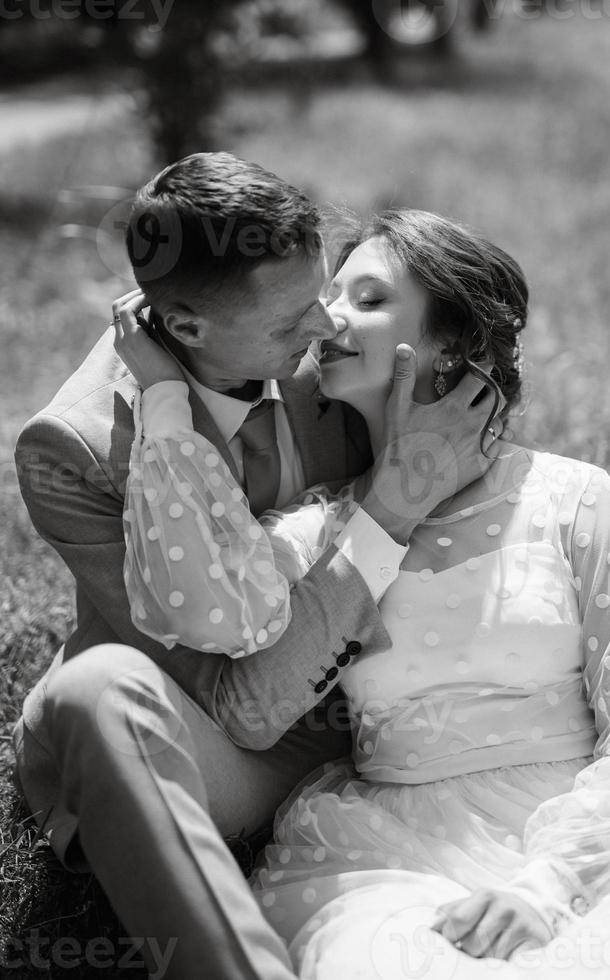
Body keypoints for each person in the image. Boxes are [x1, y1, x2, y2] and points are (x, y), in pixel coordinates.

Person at [119, 209, 610, 979]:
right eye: (329, 295)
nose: (326, 317)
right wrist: (166, 393)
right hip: (387, 856)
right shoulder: (316, 532)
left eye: (367, 299)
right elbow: (246, 696)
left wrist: (551, 883)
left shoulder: (573, 499)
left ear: (452, 348)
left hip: (584, 836)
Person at [13, 155, 496, 979]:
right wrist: (388, 512)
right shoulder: (76, 451)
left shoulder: (328, 339)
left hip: (374, 709)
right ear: (190, 328)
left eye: (324, 293)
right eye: (289, 324)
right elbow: (242, 704)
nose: (326, 328)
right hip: (227, 728)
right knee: (96, 696)